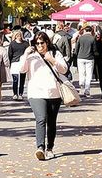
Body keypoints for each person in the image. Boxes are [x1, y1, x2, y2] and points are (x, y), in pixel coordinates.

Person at [18, 30, 70, 160]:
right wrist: (25, 54)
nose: (39, 46)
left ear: (47, 42)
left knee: (51, 121)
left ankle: (50, 147)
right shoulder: (31, 56)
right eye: (37, 43)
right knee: (41, 118)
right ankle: (40, 147)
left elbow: (64, 69)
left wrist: (52, 60)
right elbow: (21, 69)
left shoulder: (55, 53)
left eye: (42, 43)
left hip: (54, 92)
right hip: (36, 92)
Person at [74, 25, 97, 97]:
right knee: (89, 74)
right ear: (91, 31)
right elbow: (94, 50)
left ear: (85, 31)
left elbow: (76, 49)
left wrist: (76, 54)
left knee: (81, 73)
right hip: (90, 58)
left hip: (80, 57)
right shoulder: (92, 39)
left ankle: (81, 86)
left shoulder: (80, 38)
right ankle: (87, 90)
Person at [7, 29, 29, 100]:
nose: (19, 37)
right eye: (17, 35)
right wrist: (10, 63)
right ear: (15, 36)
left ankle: (20, 94)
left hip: (23, 62)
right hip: (15, 62)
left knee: (22, 79)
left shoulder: (25, 44)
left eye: (20, 35)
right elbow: (10, 54)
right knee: (15, 79)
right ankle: (15, 93)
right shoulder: (12, 44)